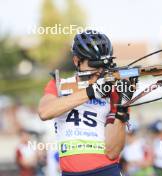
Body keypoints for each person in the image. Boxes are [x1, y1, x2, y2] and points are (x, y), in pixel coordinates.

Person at [38, 30, 134, 176]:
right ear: (77, 61)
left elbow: (113, 151)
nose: (99, 72)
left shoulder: (114, 91)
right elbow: (45, 112)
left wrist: (122, 107)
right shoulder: (59, 85)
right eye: (94, 65)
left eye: (104, 65)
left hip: (106, 170)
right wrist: (91, 92)